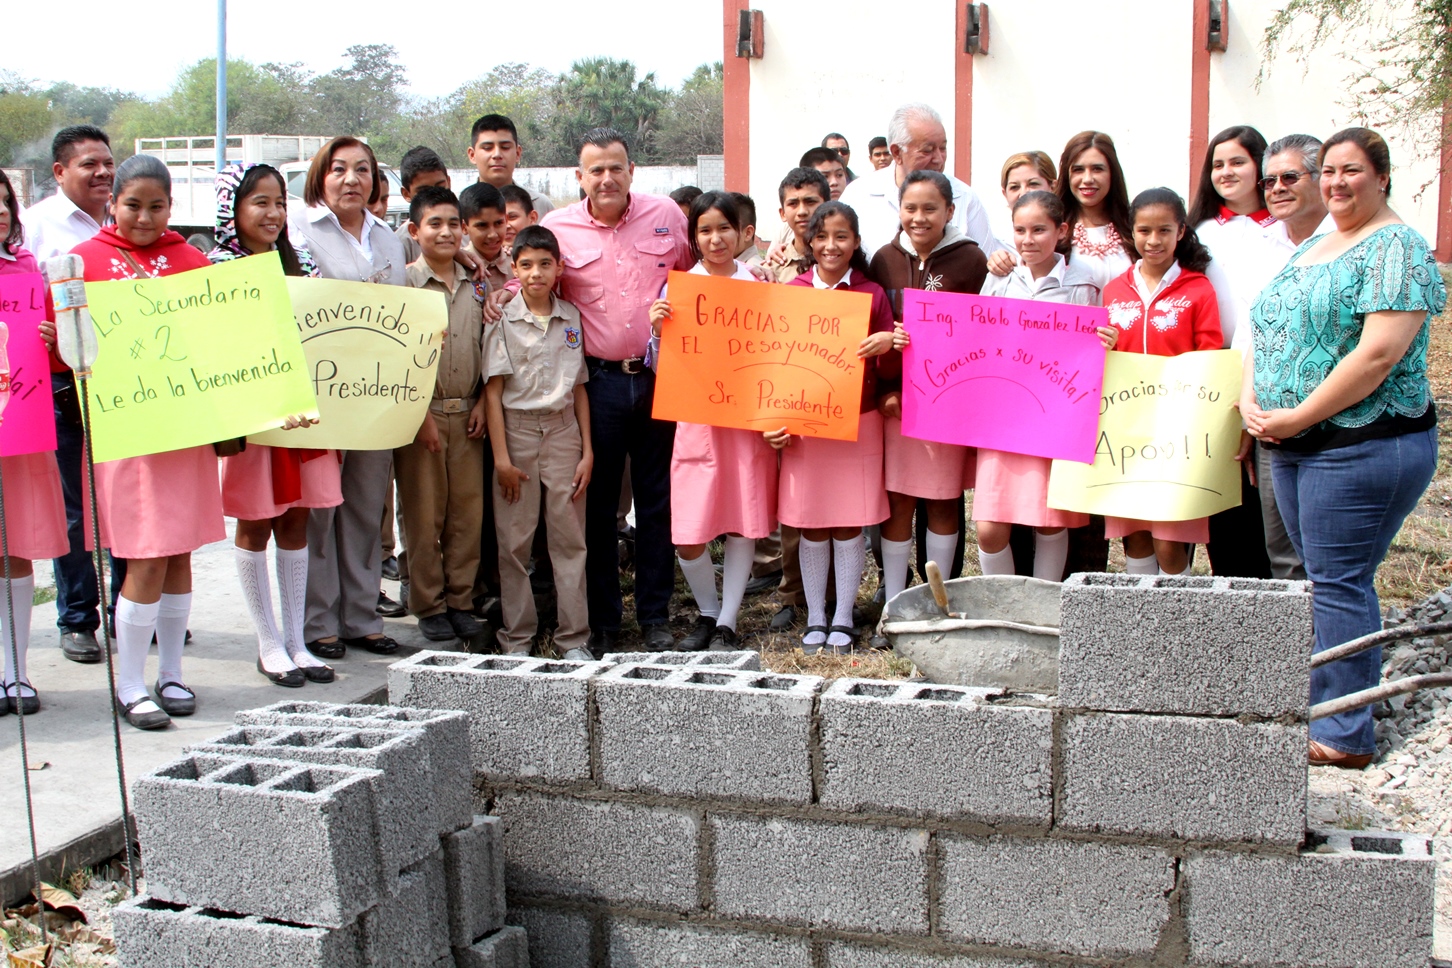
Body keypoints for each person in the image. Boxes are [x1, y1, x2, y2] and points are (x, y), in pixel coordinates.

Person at [1244, 127, 1443, 769]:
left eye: (1350, 170)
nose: (1335, 183)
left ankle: (1345, 732)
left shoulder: (1399, 249)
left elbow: (1378, 355)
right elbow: (1268, 326)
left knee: (1337, 582)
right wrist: (1253, 398)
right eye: (1327, 171)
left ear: (1381, 177)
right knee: (1318, 581)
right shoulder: (1316, 245)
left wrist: (1297, 415)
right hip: (1292, 442)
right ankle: (1321, 698)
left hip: (1360, 444)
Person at [71, 155, 222, 730]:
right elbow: (69, 350)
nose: (143, 216)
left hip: (185, 426)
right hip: (128, 431)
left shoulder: (192, 261)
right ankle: (130, 682)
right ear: (113, 202)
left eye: (156, 206)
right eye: (133, 204)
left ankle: (173, 672)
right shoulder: (82, 262)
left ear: (171, 206)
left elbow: (219, 339)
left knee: (181, 548)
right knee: (146, 551)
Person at [538, 128, 692, 652]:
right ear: (579, 177)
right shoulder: (556, 229)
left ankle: (654, 616)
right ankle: (603, 621)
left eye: (615, 167)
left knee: (658, 503)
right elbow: (533, 288)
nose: (606, 178)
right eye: (595, 170)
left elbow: (696, 283)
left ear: (632, 171)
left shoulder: (668, 216)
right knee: (598, 507)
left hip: (659, 379)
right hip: (596, 383)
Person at [208, 162, 339, 688]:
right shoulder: (216, 269)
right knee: (256, 521)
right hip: (252, 421)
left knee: (296, 517)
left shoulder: (299, 261)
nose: (272, 212)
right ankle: (267, 642)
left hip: (302, 415)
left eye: (280, 202)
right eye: (259, 201)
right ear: (232, 208)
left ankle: (296, 640)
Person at [291, 136, 407, 661]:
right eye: (339, 169)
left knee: (364, 508)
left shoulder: (388, 238)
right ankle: (319, 622)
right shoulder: (300, 233)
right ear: (321, 177)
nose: (351, 179)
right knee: (320, 510)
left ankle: (361, 616)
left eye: (362, 170)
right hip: (322, 394)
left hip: (377, 393)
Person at [647, 192, 778, 652]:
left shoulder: (759, 285)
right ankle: (704, 610)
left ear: (742, 232)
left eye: (724, 227)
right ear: (694, 237)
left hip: (745, 421)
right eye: (705, 230)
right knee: (689, 530)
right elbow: (664, 371)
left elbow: (777, 357)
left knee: (742, 520)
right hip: (697, 422)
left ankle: (727, 620)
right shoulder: (678, 289)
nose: (715, 238)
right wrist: (658, 332)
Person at [774, 201, 899, 654]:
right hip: (806, 423)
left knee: (848, 522)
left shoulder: (872, 294)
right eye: (822, 237)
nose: (831, 245)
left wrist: (889, 344)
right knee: (811, 521)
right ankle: (816, 616)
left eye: (841, 237)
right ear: (808, 242)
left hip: (858, 420)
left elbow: (886, 370)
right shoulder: (794, 290)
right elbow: (777, 361)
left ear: (856, 242)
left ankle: (844, 617)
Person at [976, 190, 1115, 580]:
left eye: (1039, 229)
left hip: (1053, 418)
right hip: (1003, 418)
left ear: (1061, 231)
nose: (1028, 239)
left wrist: (1104, 341)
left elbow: (1088, 353)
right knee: (989, 527)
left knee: (1049, 519)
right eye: (1020, 230)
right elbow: (978, 337)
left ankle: (1044, 604)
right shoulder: (1000, 278)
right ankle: (998, 606)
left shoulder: (1081, 284)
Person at [20, 125, 115, 665]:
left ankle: (132, 604)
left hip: (123, 384)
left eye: (107, 163)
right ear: (60, 172)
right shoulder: (37, 227)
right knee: (74, 508)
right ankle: (78, 618)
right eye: (89, 165)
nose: (102, 173)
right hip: (61, 386)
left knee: (122, 498)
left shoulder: (122, 219)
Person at [868, 171, 986, 603]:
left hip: (948, 408)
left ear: (950, 212)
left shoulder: (973, 261)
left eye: (930, 208)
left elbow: (987, 336)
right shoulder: (882, 259)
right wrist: (885, 393)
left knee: (941, 501)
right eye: (910, 208)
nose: (919, 217)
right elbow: (870, 326)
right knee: (898, 500)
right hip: (896, 406)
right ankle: (896, 603)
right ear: (898, 211)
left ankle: (942, 601)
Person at [1101, 188, 1224, 576]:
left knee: (1170, 540)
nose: (1153, 241)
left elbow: (1211, 355)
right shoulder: (1114, 290)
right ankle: (1142, 628)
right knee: (1134, 534)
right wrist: (1103, 346)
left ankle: (1180, 624)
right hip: (1126, 430)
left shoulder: (1198, 290)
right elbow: (1099, 361)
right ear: (1131, 232)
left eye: (1164, 231)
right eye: (1144, 231)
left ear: (1181, 232)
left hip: (1178, 431)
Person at [485, 225, 593, 659]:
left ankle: (573, 638)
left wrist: (588, 450)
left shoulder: (571, 317)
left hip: (564, 433)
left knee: (569, 540)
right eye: (526, 265)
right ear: (514, 269)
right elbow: (492, 393)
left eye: (545, 264)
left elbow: (580, 386)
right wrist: (501, 460)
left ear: (559, 268)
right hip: (518, 433)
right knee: (514, 543)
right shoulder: (502, 319)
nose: (536, 273)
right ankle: (517, 638)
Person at [395, 186, 488, 643]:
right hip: (422, 418)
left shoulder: (477, 283)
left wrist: (486, 404)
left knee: (466, 515)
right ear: (415, 231)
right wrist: (418, 414)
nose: (446, 231)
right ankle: (428, 604)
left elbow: (492, 350)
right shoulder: (404, 284)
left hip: (469, 414)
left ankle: (460, 601)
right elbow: (394, 359)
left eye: (454, 223)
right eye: (435, 223)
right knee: (424, 514)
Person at [1188, 125, 1276, 581]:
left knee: (1264, 499)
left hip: (1268, 375)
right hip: (1212, 376)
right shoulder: (1198, 231)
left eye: (1238, 161)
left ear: (1261, 165)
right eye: (1218, 164)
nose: (1226, 172)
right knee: (1221, 499)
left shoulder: (1285, 229)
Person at [0, 169, 70, 715]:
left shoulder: (27, 271)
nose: (1, 212)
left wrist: (52, 338)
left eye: (5, 202)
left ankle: (17, 672)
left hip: (19, 429)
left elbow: (55, 352)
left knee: (15, 550)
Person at [1250, 133, 1335, 580]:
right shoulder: (1260, 247)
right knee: (1283, 552)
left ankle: (1335, 646)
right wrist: (1247, 406)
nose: (1277, 188)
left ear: (1322, 179)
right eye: (1268, 181)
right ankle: (1297, 648)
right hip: (1271, 422)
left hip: (1336, 424)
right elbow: (1252, 333)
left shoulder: (1348, 242)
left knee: (1330, 557)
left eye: (1289, 177)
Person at [839, 103, 998, 256]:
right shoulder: (858, 195)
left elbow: (986, 266)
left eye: (942, 148)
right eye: (927, 151)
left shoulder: (964, 197)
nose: (939, 159)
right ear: (896, 153)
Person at [468, 114, 554, 217]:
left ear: (517, 153)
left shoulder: (540, 205)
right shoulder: (458, 208)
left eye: (505, 147)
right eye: (487, 148)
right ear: (472, 155)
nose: (497, 155)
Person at [768, 168, 830, 285]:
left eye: (810, 202)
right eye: (793, 204)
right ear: (783, 213)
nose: (802, 211)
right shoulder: (771, 271)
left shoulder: (842, 261)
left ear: (828, 206)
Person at [394, 146, 452, 264]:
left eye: (440, 188)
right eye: (424, 192)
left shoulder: (465, 230)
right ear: (406, 194)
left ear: (449, 183)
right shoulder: (400, 242)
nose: (434, 197)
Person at [994, 150, 1057, 248]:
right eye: (1014, 187)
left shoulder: (1072, 235)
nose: (1023, 193)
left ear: (1053, 187)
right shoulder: (995, 240)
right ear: (1005, 193)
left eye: (1033, 184)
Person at [460, 183, 512, 292]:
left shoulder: (518, 264)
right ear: (464, 227)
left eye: (499, 223)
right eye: (482, 225)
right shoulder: (457, 267)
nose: (492, 235)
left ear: (506, 220)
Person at [500, 184, 538, 252]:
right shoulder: (479, 258)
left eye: (512, 217)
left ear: (532, 218)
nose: (506, 226)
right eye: (499, 221)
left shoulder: (546, 253)